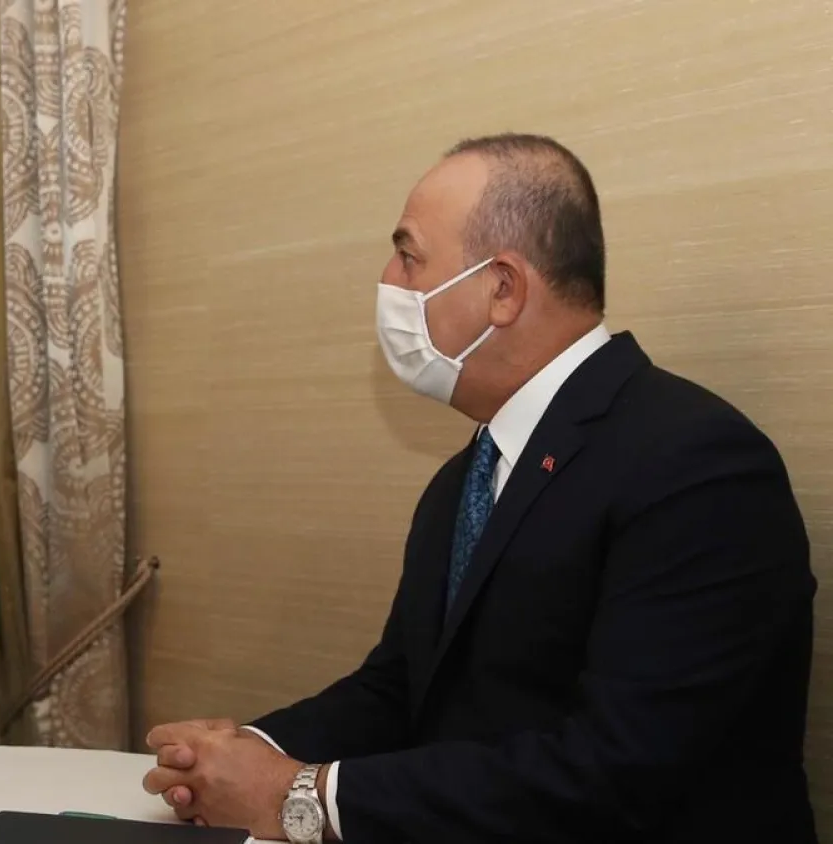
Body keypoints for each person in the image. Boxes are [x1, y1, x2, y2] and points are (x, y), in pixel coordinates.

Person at [142, 134, 816, 844]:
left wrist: (301, 797)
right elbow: (402, 690)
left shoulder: (695, 462)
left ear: (502, 288)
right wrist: (245, 754)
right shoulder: (465, 477)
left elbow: (620, 770)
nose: (388, 278)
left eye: (408, 255)